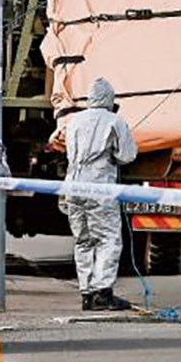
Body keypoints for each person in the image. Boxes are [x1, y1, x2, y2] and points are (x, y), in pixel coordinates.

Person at [64, 77, 138, 311]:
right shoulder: (115, 121)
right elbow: (127, 155)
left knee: (83, 240)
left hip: (73, 186)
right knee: (108, 239)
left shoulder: (74, 121)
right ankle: (103, 293)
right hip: (99, 188)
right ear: (109, 99)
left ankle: (86, 293)